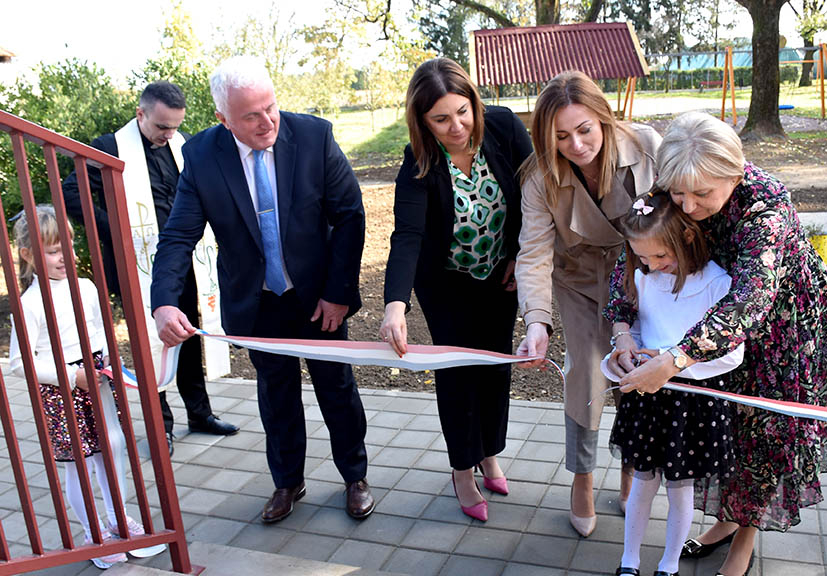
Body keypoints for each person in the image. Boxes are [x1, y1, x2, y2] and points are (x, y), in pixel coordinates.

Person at [616, 111, 827, 576]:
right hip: (704, 315)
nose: (688, 205)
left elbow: (748, 302)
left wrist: (676, 359)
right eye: (679, 193)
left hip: (774, 323)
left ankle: (745, 537)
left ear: (734, 176)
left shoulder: (767, 206)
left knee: (758, 429)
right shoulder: (677, 183)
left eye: (703, 195)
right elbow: (633, 253)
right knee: (720, 422)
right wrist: (622, 325)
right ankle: (724, 520)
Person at [150, 56, 374, 523]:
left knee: (337, 388)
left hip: (319, 298)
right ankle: (288, 482)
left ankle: (355, 476)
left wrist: (337, 292)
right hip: (256, 302)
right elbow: (178, 235)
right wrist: (165, 302)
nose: (266, 121)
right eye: (250, 115)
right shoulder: (203, 156)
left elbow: (349, 215)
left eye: (270, 107)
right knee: (276, 394)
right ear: (222, 119)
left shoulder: (314, 137)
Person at [379, 58, 532, 521]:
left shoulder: (504, 128)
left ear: (475, 103)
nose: (456, 126)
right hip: (446, 284)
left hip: (498, 276)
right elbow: (407, 235)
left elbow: (533, 196)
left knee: (494, 366)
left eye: (462, 112)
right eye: (441, 119)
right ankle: (462, 468)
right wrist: (394, 306)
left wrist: (518, 259)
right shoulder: (419, 160)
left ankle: (489, 452)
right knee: (458, 372)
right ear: (422, 121)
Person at [514, 71, 662, 536]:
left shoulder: (646, 146)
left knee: (638, 370)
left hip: (646, 276)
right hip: (578, 281)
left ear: (603, 118)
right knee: (585, 374)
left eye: (585, 130)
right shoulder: (539, 178)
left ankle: (629, 469)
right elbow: (534, 252)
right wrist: (537, 322)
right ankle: (582, 478)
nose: (576, 144)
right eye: (561, 136)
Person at [62, 81, 238, 458]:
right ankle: (162, 426)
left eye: (175, 126)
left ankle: (200, 413)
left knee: (186, 332)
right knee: (149, 342)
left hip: (182, 262)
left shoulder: (181, 143)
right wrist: (117, 231)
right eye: (162, 126)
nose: (169, 135)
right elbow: (71, 192)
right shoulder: (108, 148)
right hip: (136, 266)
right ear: (140, 114)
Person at [601, 191, 743, 576]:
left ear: (686, 236)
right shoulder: (644, 278)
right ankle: (629, 559)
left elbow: (730, 352)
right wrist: (625, 357)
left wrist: (675, 366)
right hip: (649, 400)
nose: (651, 265)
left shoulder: (717, 282)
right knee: (642, 483)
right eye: (642, 258)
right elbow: (641, 333)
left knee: (680, 490)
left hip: (694, 402)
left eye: (660, 255)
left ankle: (669, 565)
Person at [9, 206, 166, 568]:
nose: (65, 256)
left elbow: (98, 329)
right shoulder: (29, 304)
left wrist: (110, 357)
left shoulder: (86, 287)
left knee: (111, 449)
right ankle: (93, 532)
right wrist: (70, 375)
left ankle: (118, 519)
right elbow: (22, 362)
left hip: (96, 378)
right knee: (77, 462)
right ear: (28, 254)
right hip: (63, 387)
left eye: (67, 245)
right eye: (52, 251)